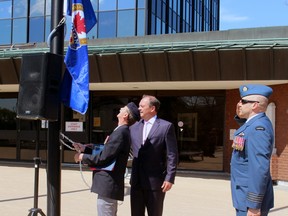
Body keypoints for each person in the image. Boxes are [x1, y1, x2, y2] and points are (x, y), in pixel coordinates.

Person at [73, 102, 140, 216]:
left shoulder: (121, 132)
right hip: (108, 186)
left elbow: (104, 157)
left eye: (123, 108)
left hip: (108, 185)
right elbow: (108, 151)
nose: (120, 108)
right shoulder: (120, 131)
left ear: (125, 116)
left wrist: (82, 157)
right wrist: (86, 148)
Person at [129, 95, 178, 216]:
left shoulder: (165, 127)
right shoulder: (133, 128)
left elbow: (172, 154)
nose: (138, 108)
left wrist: (169, 177)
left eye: (142, 106)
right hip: (136, 182)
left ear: (152, 108)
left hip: (156, 183)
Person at [231, 84, 274, 216]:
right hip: (243, 195)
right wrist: (240, 114)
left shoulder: (258, 128)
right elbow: (245, 128)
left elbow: (259, 167)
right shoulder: (254, 124)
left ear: (254, 105)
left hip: (249, 199)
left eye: (243, 101)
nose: (239, 104)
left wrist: (254, 205)